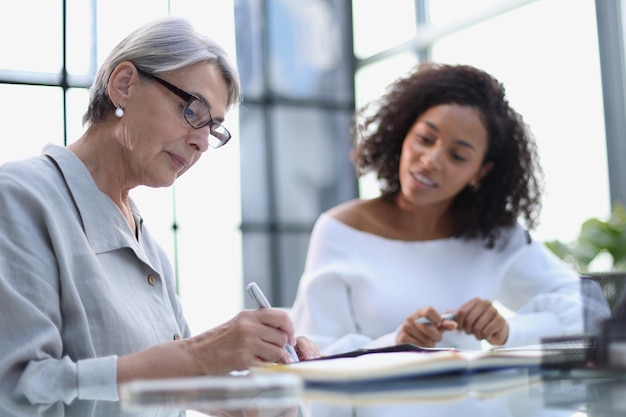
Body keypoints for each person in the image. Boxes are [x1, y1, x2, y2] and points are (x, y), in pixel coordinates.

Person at [0, 16, 319, 409]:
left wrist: (279, 381)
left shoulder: (147, 247)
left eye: (213, 128)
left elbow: (182, 389)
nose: (202, 142)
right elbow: (15, 387)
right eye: (192, 111)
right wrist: (198, 353)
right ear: (124, 85)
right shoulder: (18, 198)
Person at [290, 62, 585, 355]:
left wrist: (508, 330)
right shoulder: (341, 230)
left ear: (480, 172)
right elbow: (311, 351)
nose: (430, 160)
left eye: (457, 156)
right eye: (425, 139)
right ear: (404, 133)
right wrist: (395, 343)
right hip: (379, 402)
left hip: (475, 400)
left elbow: (589, 310)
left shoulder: (493, 236)